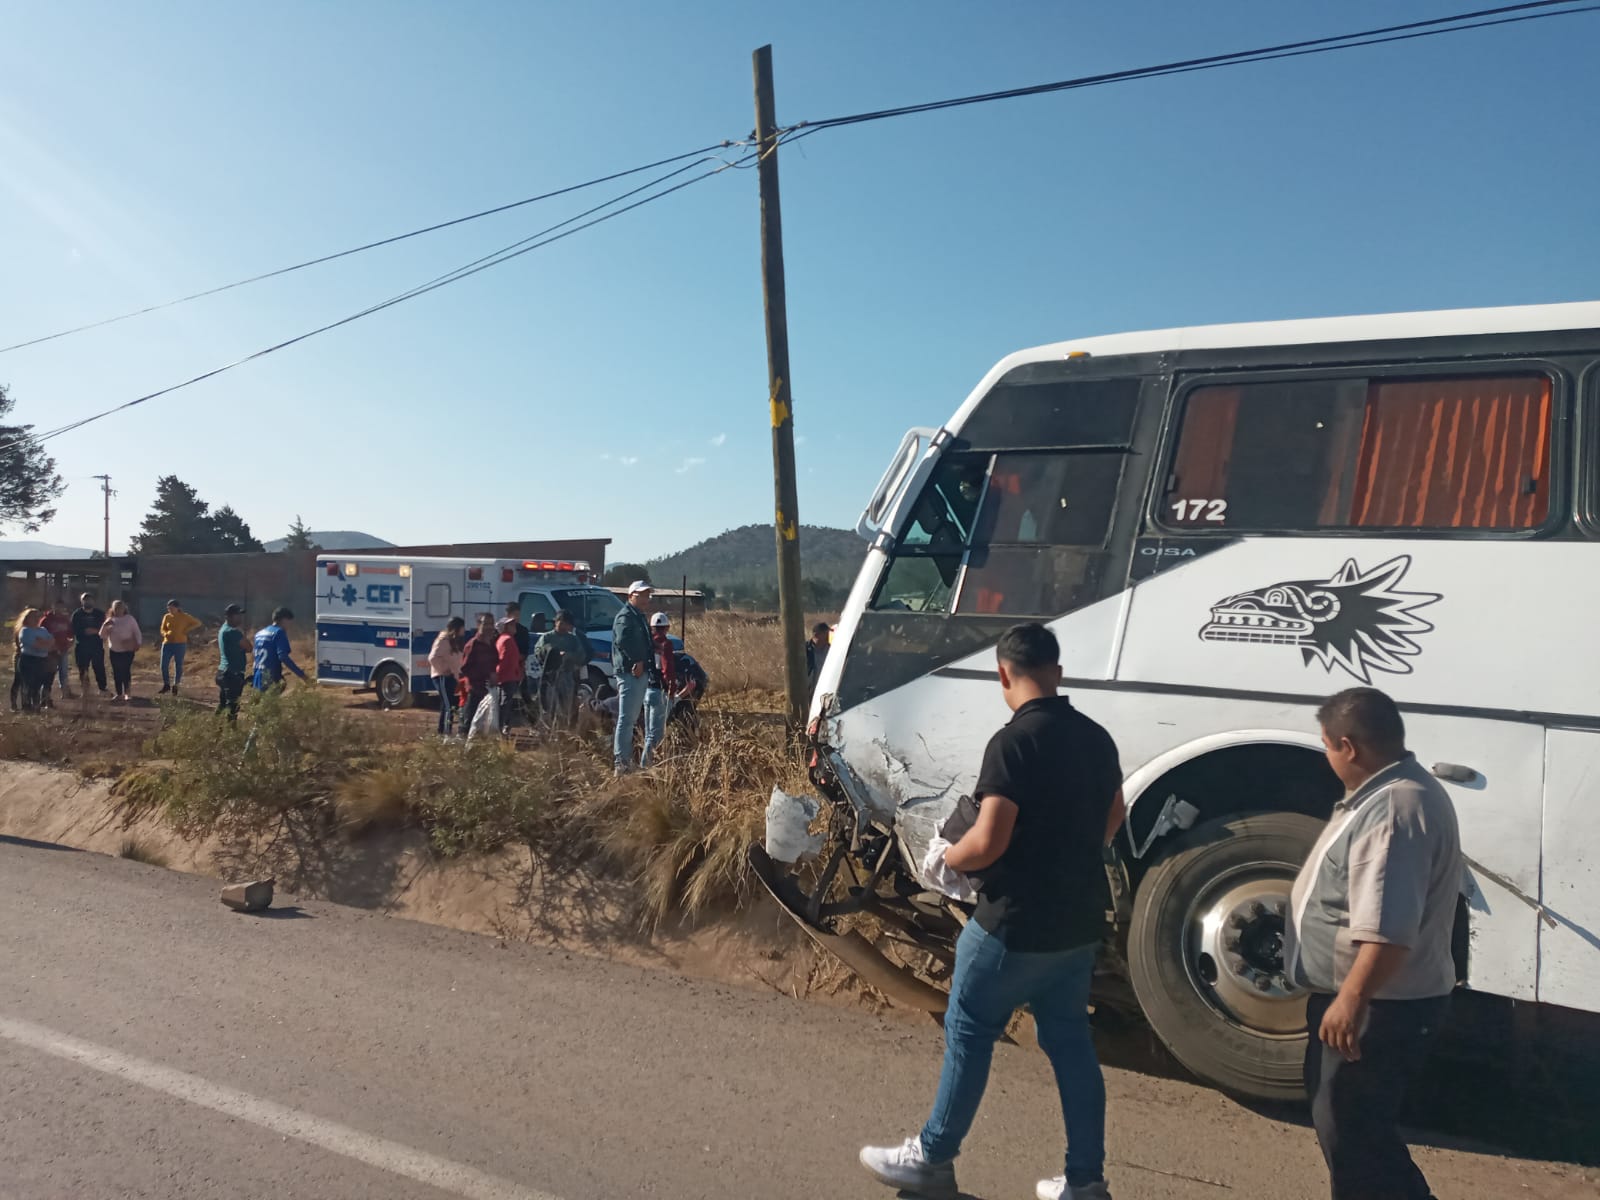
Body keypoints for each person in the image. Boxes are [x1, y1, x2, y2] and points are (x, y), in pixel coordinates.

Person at [860, 622, 1123, 1200]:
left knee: (968, 1032)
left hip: (1015, 922)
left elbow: (990, 841)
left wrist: (945, 858)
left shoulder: (1014, 743)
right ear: (1057, 672)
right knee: (1071, 1046)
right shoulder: (1098, 737)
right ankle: (1085, 1181)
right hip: (1078, 921)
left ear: (1003, 673)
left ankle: (932, 1158)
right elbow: (1114, 816)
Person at [1286, 687, 1463, 1200]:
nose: (1326, 757)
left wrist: (1350, 1000)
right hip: (1383, 1002)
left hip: (1380, 1007)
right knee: (1355, 1131)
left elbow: (1387, 928)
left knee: (1355, 1135)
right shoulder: (1395, 793)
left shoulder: (1393, 811)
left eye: (1326, 746)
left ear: (1348, 746)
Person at [610, 580, 654, 773]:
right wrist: (637, 660)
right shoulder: (625, 616)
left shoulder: (639, 616)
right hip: (630, 673)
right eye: (641, 595)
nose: (645, 599)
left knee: (631, 718)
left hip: (639, 672)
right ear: (630, 596)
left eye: (647, 595)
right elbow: (622, 640)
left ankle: (626, 760)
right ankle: (621, 763)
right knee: (626, 719)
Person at [534, 609, 590, 729]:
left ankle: (563, 731)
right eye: (562, 623)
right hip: (549, 677)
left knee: (565, 707)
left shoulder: (573, 639)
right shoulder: (547, 638)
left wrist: (569, 655)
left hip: (566, 675)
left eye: (567, 624)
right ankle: (548, 730)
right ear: (556, 622)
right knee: (549, 706)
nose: (564, 626)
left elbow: (581, 656)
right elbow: (538, 652)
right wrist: (551, 652)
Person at [458, 614, 500, 732]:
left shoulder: (492, 644)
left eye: (491, 624)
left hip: (488, 690)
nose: (489, 627)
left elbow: (495, 662)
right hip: (474, 690)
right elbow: (465, 668)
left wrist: (493, 675)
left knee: (486, 723)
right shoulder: (473, 645)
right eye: (485, 624)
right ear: (478, 625)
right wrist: (484, 675)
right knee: (469, 722)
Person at [252, 606, 308, 691]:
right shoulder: (279, 632)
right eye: (290, 622)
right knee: (270, 703)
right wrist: (302, 675)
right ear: (284, 620)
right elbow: (283, 656)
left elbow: (255, 657)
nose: (290, 626)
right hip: (270, 677)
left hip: (257, 677)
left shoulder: (259, 634)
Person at [429, 617, 467, 737]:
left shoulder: (456, 641)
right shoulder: (443, 640)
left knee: (448, 705)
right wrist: (443, 670)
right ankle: (446, 733)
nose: (464, 630)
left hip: (452, 677)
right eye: (462, 627)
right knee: (448, 705)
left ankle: (442, 731)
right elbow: (433, 658)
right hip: (442, 677)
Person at [157, 598, 203, 695]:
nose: (170, 610)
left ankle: (176, 685)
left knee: (178, 665)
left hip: (180, 643)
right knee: (163, 665)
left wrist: (187, 629)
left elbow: (198, 623)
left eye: (172, 608)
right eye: (169, 608)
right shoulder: (167, 617)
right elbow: (162, 628)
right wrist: (165, 634)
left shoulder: (184, 616)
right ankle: (166, 685)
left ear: (177, 608)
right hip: (167, 643)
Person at [98, 601, 142, 702]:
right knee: (116, 672)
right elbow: (102, 635)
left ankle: (127, 693)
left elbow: (137, 632)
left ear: (124, 608)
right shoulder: (110, 620)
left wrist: (138, 644)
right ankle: (119, 693)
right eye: (116, 608)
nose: (119, 610)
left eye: (120, 608)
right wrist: (105, 626)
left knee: (125, 671)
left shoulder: (130, 619)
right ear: (113, 609)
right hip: (114, 650)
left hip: (128, 650)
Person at [14, 609, 53, 711]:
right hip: (29, 660)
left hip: (42, 660)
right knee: (29, 684)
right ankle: (27, 707)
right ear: (27, 619)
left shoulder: (43, 630)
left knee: (38, 684)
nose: (36, 619)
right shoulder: (25, 631)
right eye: (33, 617)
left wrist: (43, 642)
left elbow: (52, 642)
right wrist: (45, 643)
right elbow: (36, 646)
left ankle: (36, 707)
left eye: (37, 616)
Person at [216, 604, 249, 720]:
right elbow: (249, 647)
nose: (240, 618)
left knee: (223, 704)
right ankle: (230, 732)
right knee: (232, 706)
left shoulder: (223, 629)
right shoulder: (232, 632)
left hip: (223, 671)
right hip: (232, 673)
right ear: (230, 617)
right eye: (238, 615)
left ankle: (215, 729)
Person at [71, 592, 108, 696]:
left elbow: (105, 627)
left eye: (90, 599)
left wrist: (96, 631)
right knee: (83, 669)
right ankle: (85, 690)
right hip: (81, 646)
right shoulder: (77, 614)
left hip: (96, 646)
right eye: (85, 599)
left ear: (93, 601)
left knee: (99, 667)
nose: (88, 601)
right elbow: (74, 629)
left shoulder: (99, 614)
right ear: (81, 601)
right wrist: (84, 631)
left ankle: (102, 689)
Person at [494, 616, 525, 733]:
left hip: (508, 675)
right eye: (511, 625)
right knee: (505, 704)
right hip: (507, 676)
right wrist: (500, 675)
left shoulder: (505, 639)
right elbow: (504, 660)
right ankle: (501, 727)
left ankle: (502, 727)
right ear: (505, 628)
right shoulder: (507, 640)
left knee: (504, 702)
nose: (514, 626)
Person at [42, 599, 75, 699]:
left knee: (63, 671)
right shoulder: (46, 619)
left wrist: (71, 642)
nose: (59, 609)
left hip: (63, 649)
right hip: (50, 651)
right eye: (57, 606)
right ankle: (45, 695)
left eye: (61, 606)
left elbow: (71, 633)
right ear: (53, 607)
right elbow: (41, 633)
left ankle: (65, 693)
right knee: (49, 673)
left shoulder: (65, 619)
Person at [805, 622, 831, 689]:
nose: (828, 636)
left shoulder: (831, 650)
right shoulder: (805, 649)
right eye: (825, 633)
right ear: (816, 635)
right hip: (809, 690)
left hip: (826, 690)